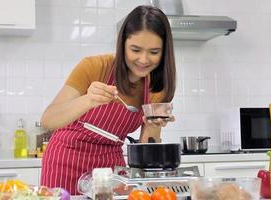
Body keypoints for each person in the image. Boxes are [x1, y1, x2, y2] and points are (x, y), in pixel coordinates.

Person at [40, 5, 176, 195]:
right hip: (65, 159)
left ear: (164, 52)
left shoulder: (157, 86)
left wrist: (154, 125)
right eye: (135, 50)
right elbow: (48, 120)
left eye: (154, 52)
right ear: (122, 45)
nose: (144, 59)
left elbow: (146, 154)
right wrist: (88, 100)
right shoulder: (94, 67)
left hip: (111, 166)